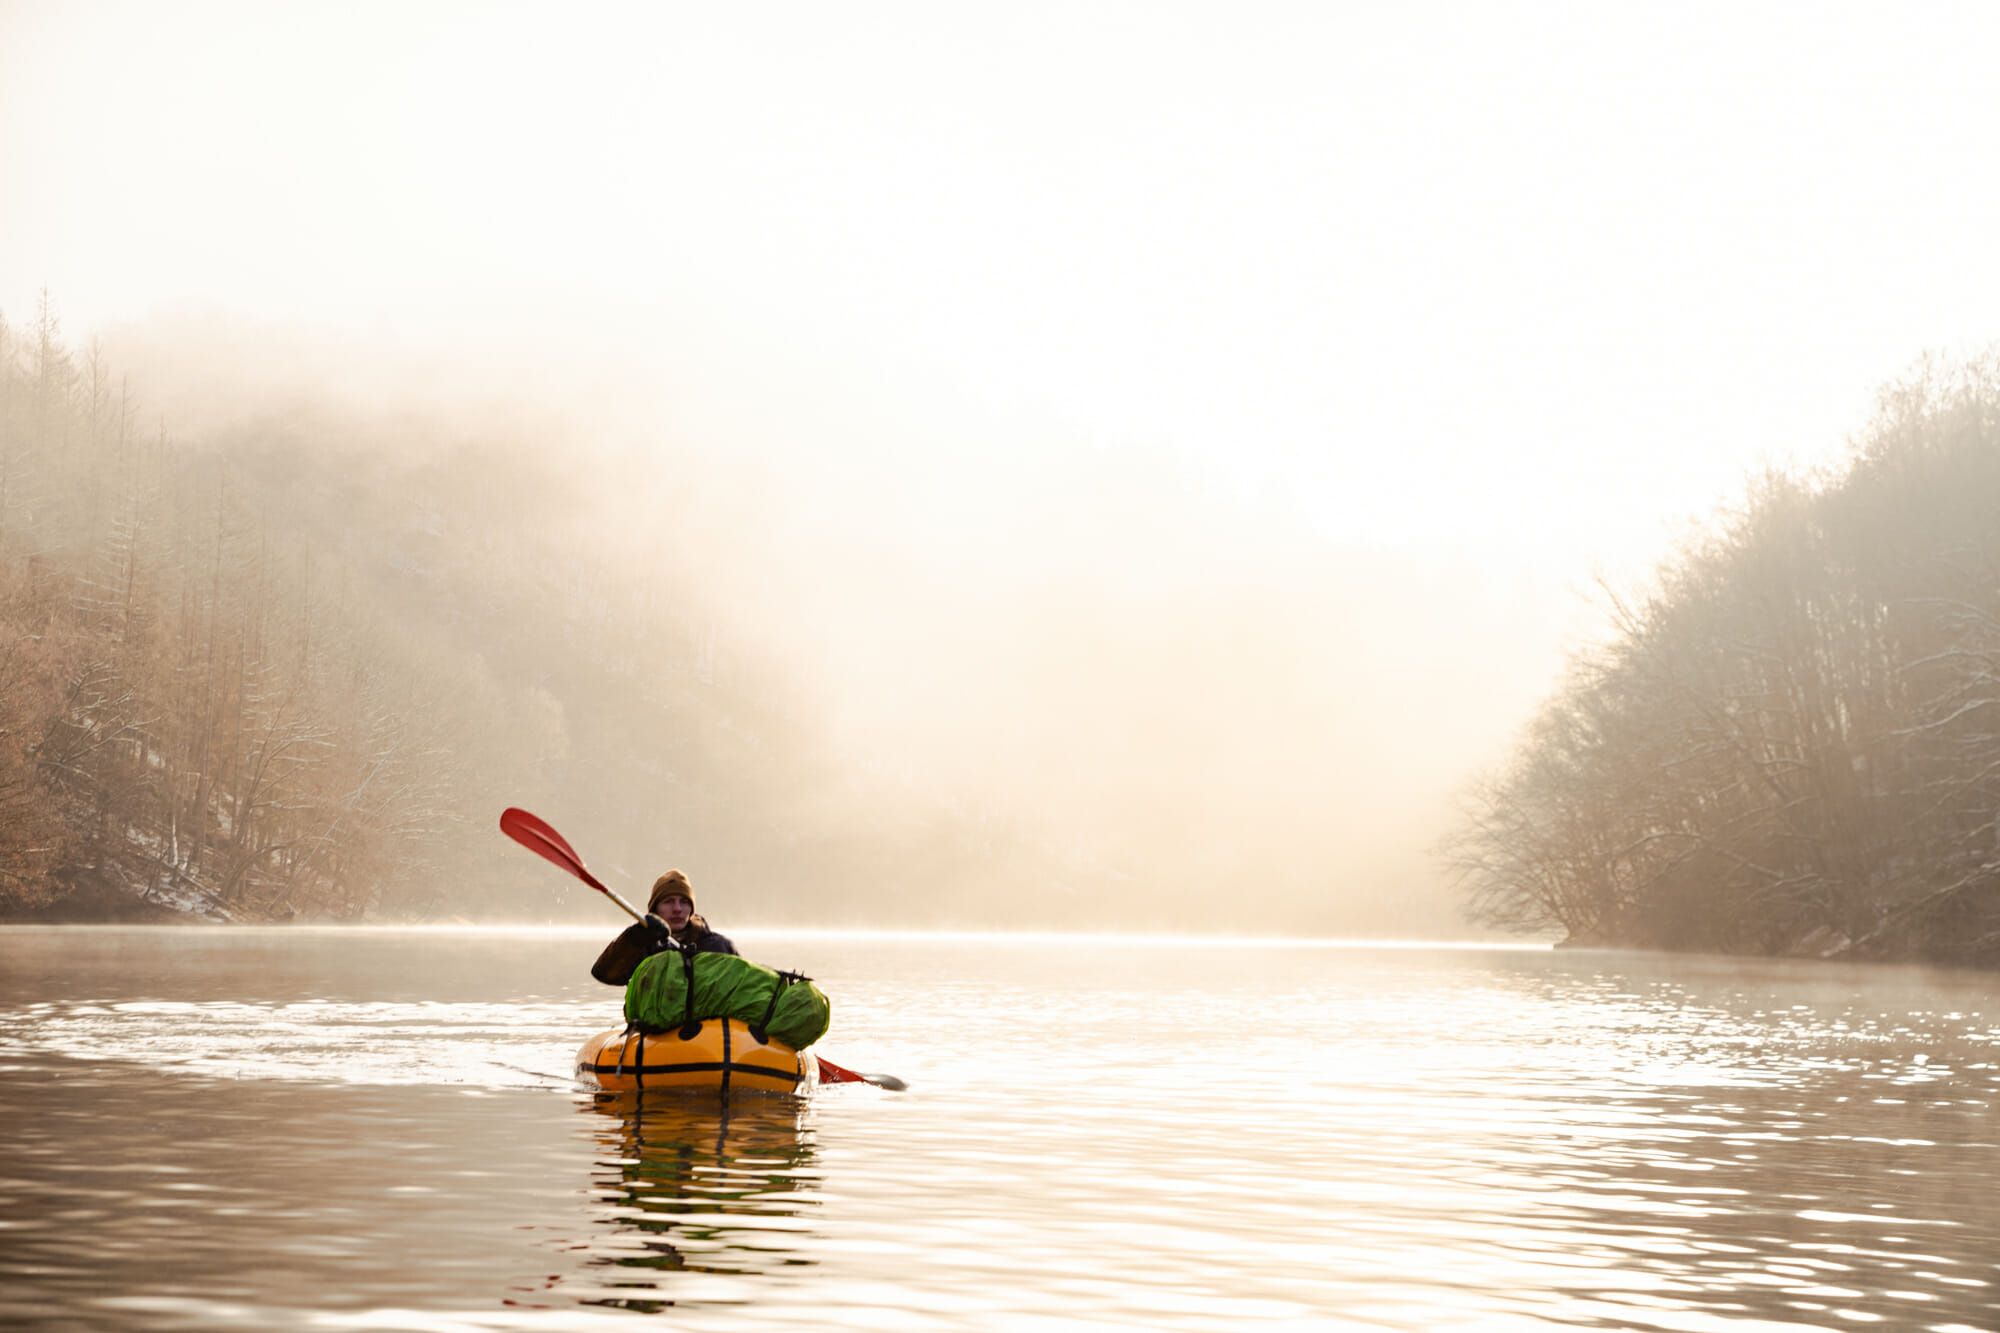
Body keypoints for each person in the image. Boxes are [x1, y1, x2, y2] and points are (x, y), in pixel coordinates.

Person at [590, 869, 739, 986]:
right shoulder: (643, 945)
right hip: (652, 1023)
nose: (677, 909)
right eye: (668, 901)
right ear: (655, 909)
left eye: (684, 902)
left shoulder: (718, 946)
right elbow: (604, 975)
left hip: (707, 1023)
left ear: (691, 909)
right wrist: (633, 938)